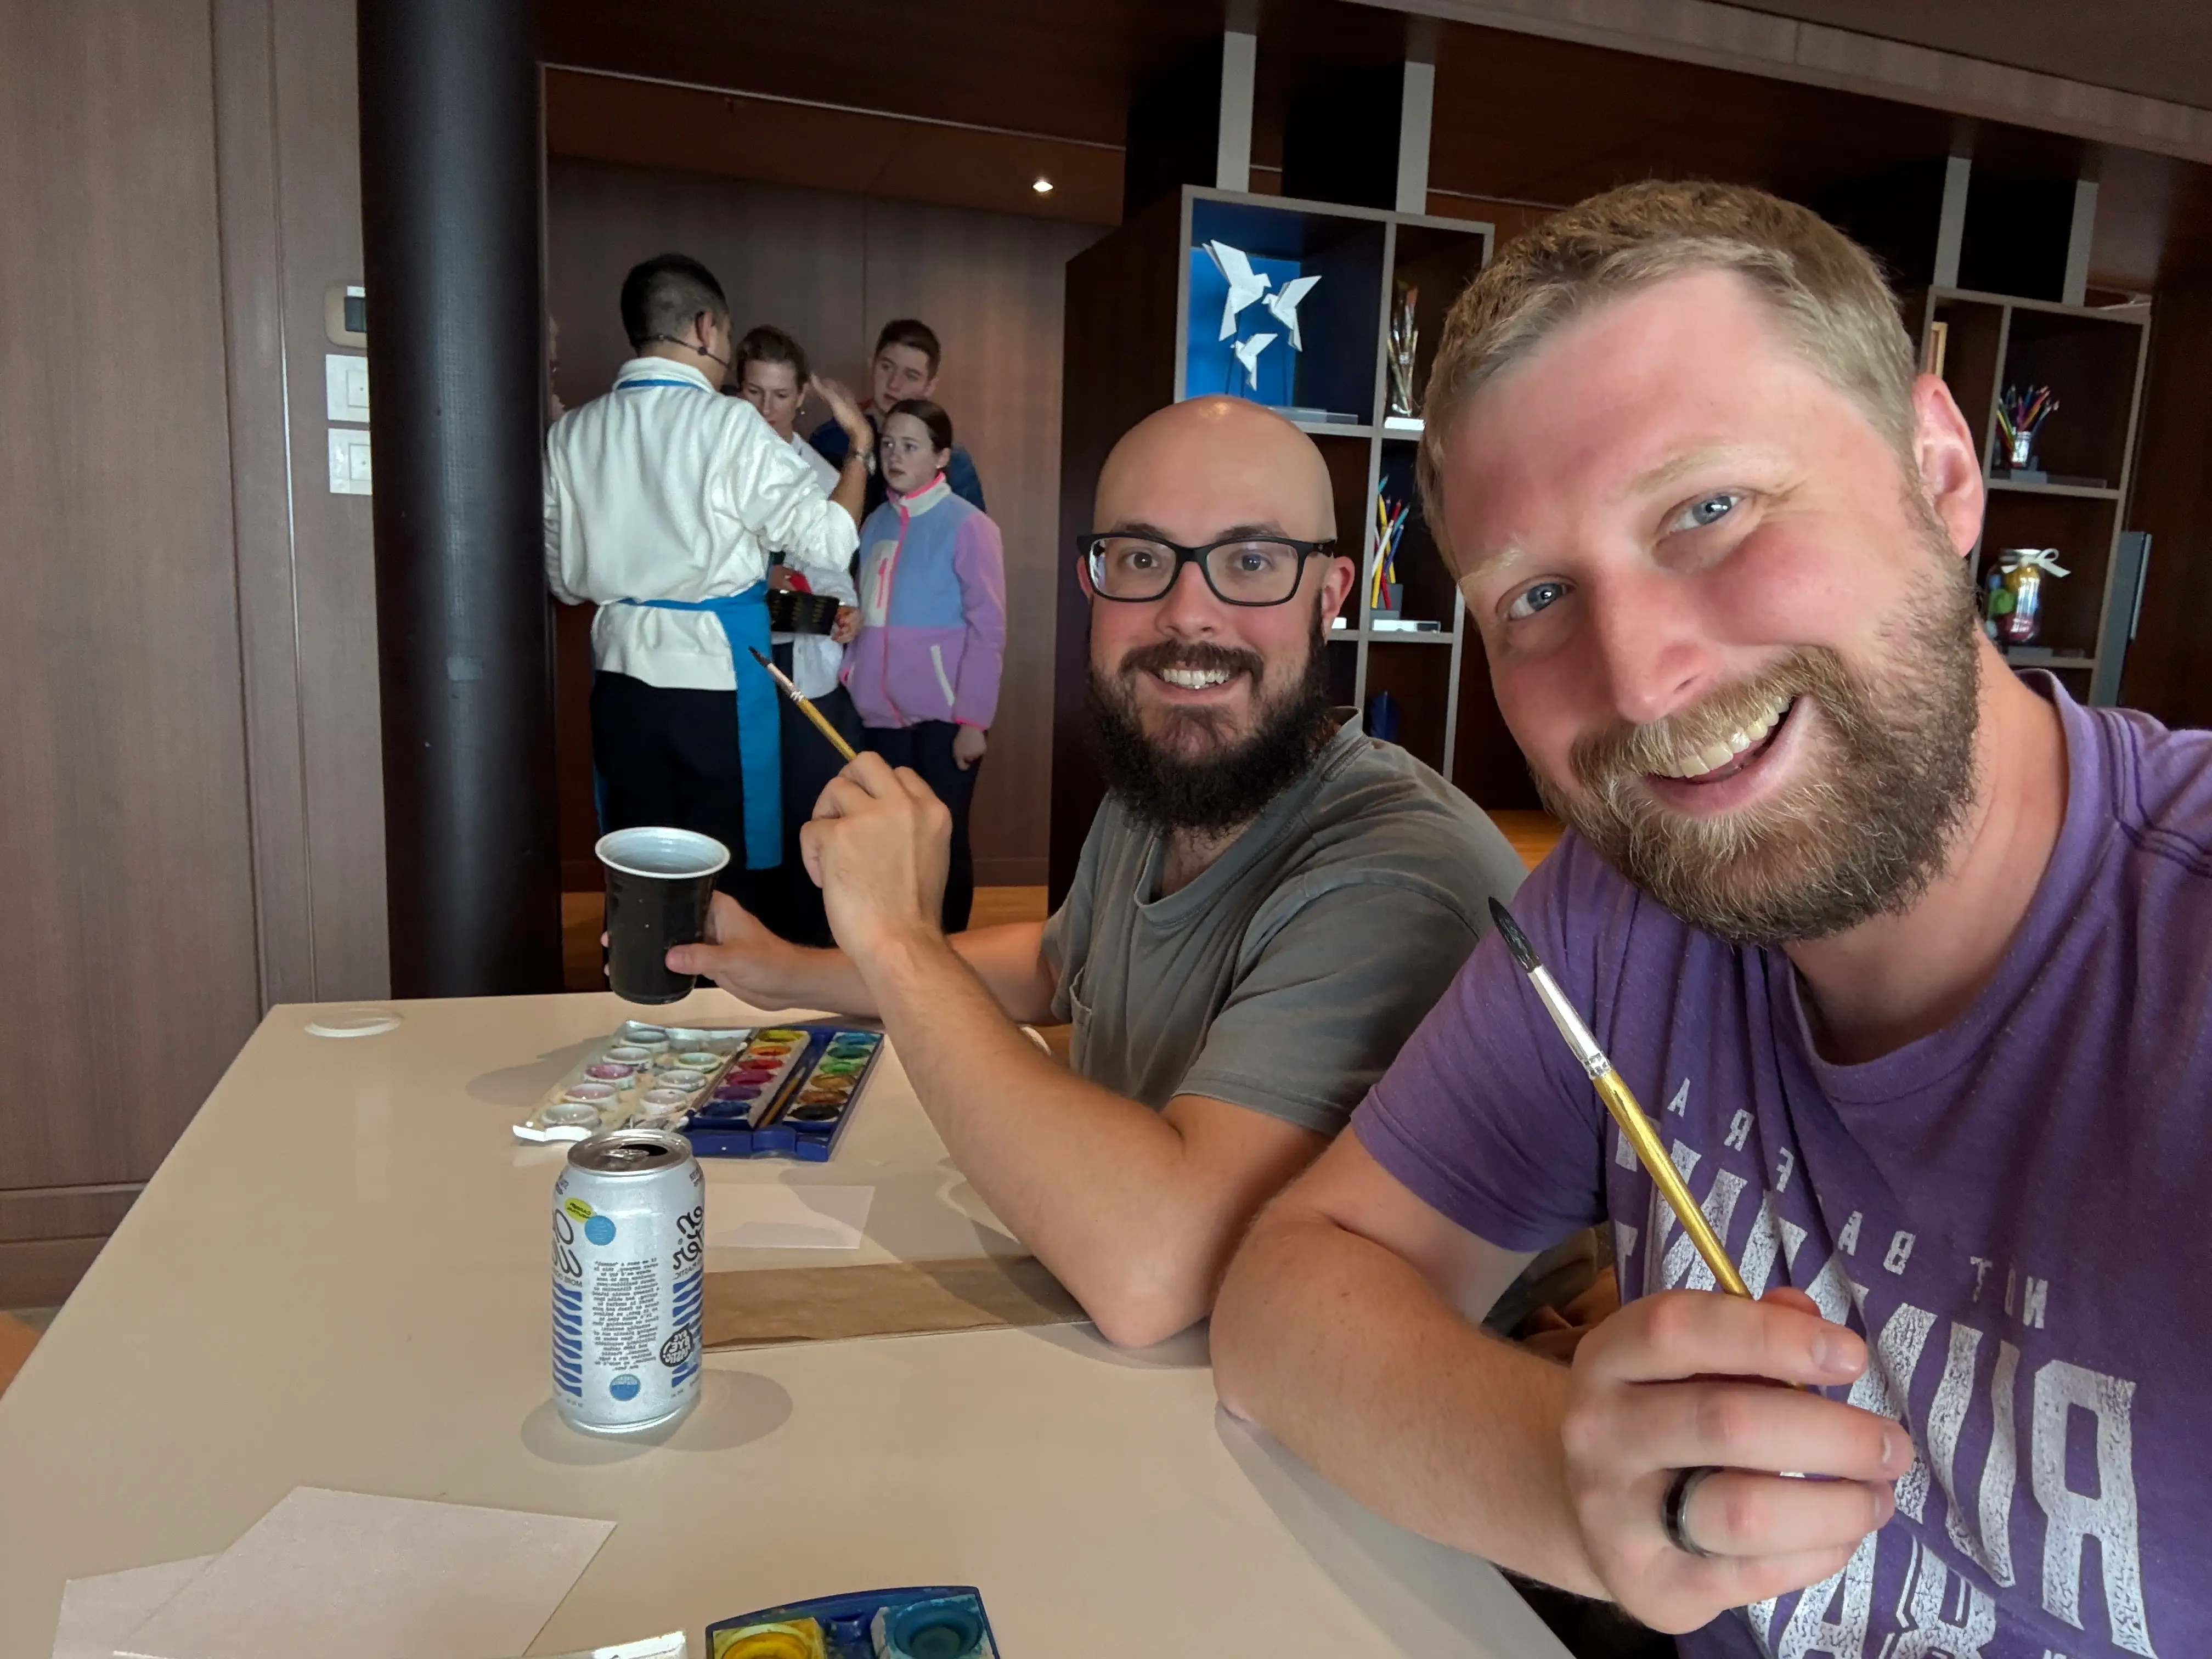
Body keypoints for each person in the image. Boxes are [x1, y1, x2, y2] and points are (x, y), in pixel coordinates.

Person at [1211, 180, 2212, 1657]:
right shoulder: (1622, 915)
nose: (1641, 678)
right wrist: (1576, 1486)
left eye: (1709, 509)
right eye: (1539, 593)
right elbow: (1285, 1304)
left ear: (1938, 475)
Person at [667, 396, 1530, 1350]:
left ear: (1328, 595)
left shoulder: (1396, 874)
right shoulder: (1164, 780)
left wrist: (899, 940)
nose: (1187, 613)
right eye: (1142, 559)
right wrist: (786, 967)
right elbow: (1053, 962)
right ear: (1096, 579)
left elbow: (1152, 1269)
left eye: (1250, 562)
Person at [544, 253, 875, 915]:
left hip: (620, 680)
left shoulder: (571, 433)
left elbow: (563, 580)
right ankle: (722, 1007)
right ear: (705, 328)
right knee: (724, 870)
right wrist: (859, 451)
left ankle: (644, 995)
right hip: (714, 680)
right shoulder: (729, 427)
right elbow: (833, 539)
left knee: (638, 860)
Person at [838, 399, 1005, 933]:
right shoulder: (874, 524)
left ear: (941, 457)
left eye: (909, 446)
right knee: (891, 837)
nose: (894, 455)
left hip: (944, 718)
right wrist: (850, 648)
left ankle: (951, 948)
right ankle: (901, 947)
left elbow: (989, 629)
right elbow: (868, 611)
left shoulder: (971, 526)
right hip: (879, 717)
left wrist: (973, 721)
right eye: (887, 443)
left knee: (945, 837)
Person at [733, 323, 864, 946]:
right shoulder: (718, 456)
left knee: (804, 816)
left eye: (780, 396)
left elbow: (840, 575)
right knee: (746, 824)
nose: (766, 410)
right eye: (754, 392)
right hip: (736, 671)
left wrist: (848, 611)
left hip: (805, 674)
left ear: (800, 400)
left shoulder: (821, 473)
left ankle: (807, 954)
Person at [809, 318, 986, 517]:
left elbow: (974, 537)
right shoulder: (830, 439)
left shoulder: (951, 459)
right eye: (887, 367)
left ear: (929, 387)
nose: (894, 384)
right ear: (872, 364)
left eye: (911, 376)